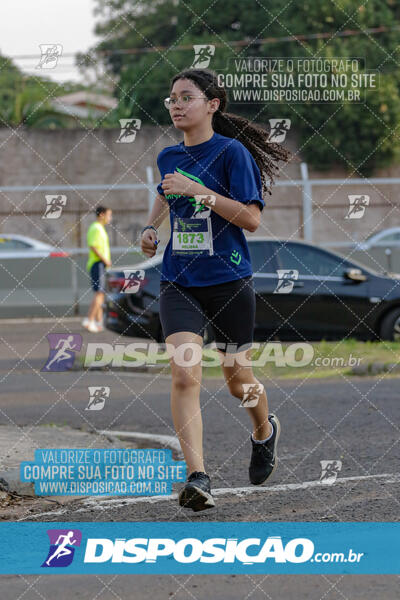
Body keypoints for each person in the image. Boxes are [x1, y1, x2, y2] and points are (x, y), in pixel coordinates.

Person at [140, 68, 291, 512]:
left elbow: (250, 219)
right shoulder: (169, 157)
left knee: (236, 380)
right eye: (171, 99)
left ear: (212, 104)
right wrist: (152, 226)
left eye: (186, 97)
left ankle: (264, 430)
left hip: (228, 280)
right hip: (179, 281)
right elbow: (167, 194)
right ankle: (197, 477)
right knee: (185, 372)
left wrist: (198, 191)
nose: (176, 105)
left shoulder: (232, 153)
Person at [83, 206, 112, 333]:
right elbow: (93, 246)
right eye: (109, 215)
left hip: (100, 264)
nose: (110, 218)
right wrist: (105, 260)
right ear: (101, 215)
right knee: (99, 293)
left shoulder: (100, 228)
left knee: (101, 293)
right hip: (98, 264)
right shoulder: (96, 228)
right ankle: (89, 320)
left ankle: (99, 322)